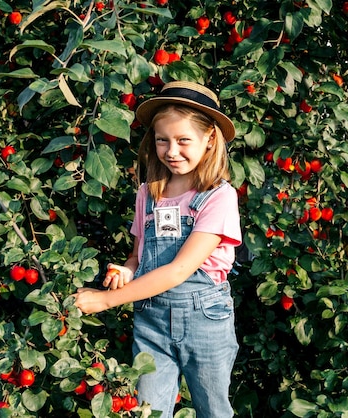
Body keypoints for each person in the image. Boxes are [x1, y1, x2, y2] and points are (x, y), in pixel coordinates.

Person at [72, 81, 241, 418]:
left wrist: (105, 300)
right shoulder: (148, 193)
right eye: (163, 140)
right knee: (147, 411)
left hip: (204, 319)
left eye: (183, 141)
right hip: (152, 320)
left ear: (209, 140)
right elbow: (140, 255)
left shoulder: (218, 196)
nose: (172, 151)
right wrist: (127, 270)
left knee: (213, 410)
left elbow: (180, 269)